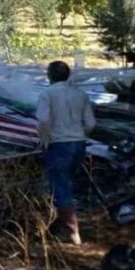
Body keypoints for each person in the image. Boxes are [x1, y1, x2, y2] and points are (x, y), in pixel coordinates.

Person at [36, 60, 95, 245]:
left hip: (59, 145)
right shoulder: (81, 94)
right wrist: (79, 135)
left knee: (61, 187)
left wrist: (45, 140)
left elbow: (43, 121)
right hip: (79, 145)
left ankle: (72, 234)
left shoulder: (47, 94)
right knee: (66, 184)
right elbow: (91, 123)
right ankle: (58, 224)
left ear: (49, 76)